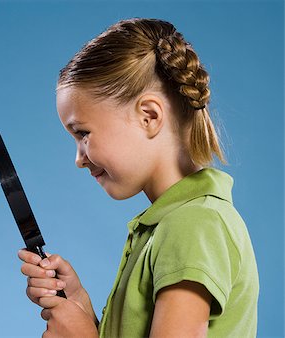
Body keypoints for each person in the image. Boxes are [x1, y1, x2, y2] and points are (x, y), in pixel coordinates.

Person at [18, 18, 259, 338]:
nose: (78, 158)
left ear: (149, 117)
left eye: (83, 134)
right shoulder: (172, 224)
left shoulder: (193, 225)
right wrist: (81, 309)